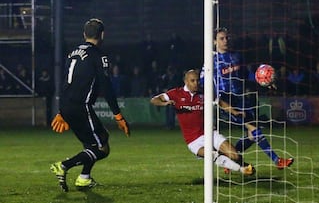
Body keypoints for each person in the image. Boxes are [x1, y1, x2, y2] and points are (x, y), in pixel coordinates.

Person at [49, 18, 130, 192]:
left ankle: (84, 178)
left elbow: (65, 82)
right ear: (102, 35)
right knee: (102, 147)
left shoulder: (72, 53)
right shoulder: (99, 56)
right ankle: (63, 166)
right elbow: (106, 87)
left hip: (66, 104)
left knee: (91, 145)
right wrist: (118, 115)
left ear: (84, 34)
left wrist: (61, 111)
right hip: (81, 106)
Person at [201, 27, 294, 170]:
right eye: (221, 38)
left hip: (242, 99)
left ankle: (230, 159)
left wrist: (264, 81)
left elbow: (247, 75)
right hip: (227, 102)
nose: (226, 40)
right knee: (254, 129)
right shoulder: (211, 62)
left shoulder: (237, 56)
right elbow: (202, 83)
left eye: (227, 38)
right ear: (214, 41)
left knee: (252, 135)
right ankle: (277, 160)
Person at [150, 69, 254, 175]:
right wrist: (165, 103)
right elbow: (154, 99)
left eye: (197, 80)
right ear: (186, 81)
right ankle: (242, 169)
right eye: (192, 81)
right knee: (212, 155)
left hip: (210, 133)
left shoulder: (204, 93)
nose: (196, 83)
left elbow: (220, 102)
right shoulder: (176, 93)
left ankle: (233, 163)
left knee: (234, 155)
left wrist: (234, 112)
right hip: (193, 141)